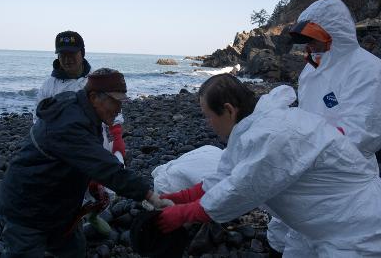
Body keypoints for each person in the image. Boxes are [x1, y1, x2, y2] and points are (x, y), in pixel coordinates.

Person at [157, 73, 381, 257]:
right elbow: (226, 177)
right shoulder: (254, 128)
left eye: (208, 116)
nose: (208, 124)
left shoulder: (274, 133)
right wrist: (180, 198)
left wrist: (182, 214)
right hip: (319, 224)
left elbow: (239, 189)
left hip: (356, 226)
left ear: (228, 110)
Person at [0, 68, 173, 258]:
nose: (119, 109)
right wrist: (150, 196)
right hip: (26, 209)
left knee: (74, 251)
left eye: (121, 102)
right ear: (94, 97)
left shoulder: (84, 111)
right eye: (115, 101)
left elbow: (80, 159)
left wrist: (91, 183)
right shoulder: (69, 123)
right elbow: (105, 167)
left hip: (61, 209)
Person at [267, 0, 381, 257]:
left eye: (313, 37)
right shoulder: (311, 72)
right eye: (306, 38)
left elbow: (364, 133)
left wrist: (302, 143)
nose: (309, 45)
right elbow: (308, 116)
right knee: (294, 245)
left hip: (349, 187)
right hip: (309, 174)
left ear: (333, 34)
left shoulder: (369, 70)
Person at [36, 30, 126, 235]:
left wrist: (118, 139)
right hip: (60, 149)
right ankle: (68, 225)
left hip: (96, 143)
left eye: (72, 53)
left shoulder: (97, 81)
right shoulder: (48, 86)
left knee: (102, 186)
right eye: (62, 54)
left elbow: (115, 113)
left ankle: (97, 215)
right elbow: (38, 121)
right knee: (65, 189)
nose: (67, 59)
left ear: (82, 53)